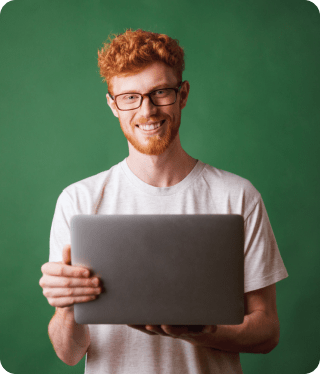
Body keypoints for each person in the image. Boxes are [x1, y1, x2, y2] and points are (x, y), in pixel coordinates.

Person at [39, 29, 289, 374]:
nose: (148, 110)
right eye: (130, 97)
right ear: (113, 105)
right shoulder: (78, 200)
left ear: (182, 94)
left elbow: (267, 332)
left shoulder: (238, 195)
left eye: (160, 92)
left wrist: (200, 333)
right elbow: (68, 353)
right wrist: (66, 309)